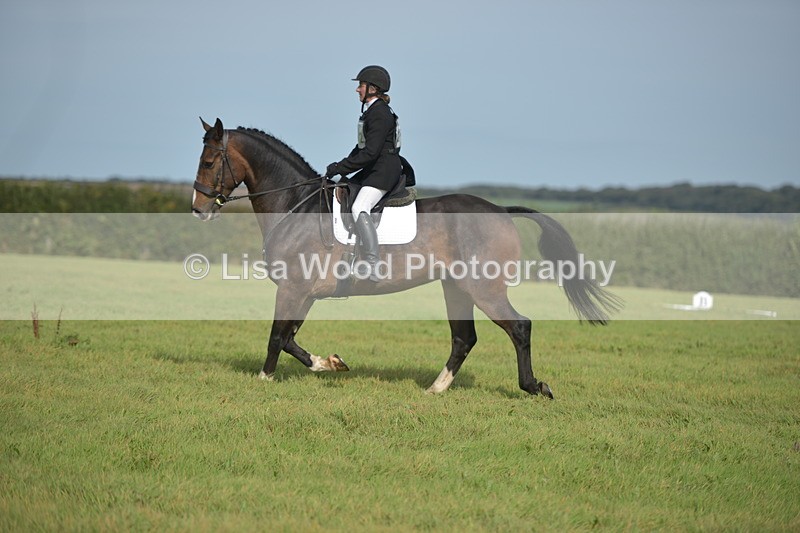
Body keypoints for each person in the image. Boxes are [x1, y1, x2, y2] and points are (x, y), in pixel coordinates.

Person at [325, 65, 402, 282]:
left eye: (361, 85)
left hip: (383, 170)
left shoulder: (379, 114)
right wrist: (340, 166)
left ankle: (372, 263)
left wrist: (341, 167)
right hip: (375, 168)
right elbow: (361, 148)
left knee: (360, 207)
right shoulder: (373, 111)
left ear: (372, 88)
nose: (357, 90)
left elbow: (369, 153)